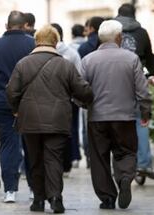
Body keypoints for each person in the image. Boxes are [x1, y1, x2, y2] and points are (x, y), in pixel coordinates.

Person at [6, 25, 93, 213]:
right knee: (54, 159)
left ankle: (38, 200)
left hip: (29, 120)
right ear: (55, 42)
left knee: (34, 160)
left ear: (37, 41)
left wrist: (16, 110)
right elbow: (84, 91)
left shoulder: (23, 64)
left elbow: (11, 92)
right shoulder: (65, 64)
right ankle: (55, 199)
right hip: (58, 120)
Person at [82, 20, 152, 210]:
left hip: (97, 118)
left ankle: (107, 198)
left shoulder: (88, 60)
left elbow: (81, 89)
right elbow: (142, 91)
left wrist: (84, 104)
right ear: (119, 37)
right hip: (125, 117)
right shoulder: (131, 59)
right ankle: (125, 178)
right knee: (126, 151)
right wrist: (145, 112)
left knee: (99, 158)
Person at [0, 10, 35, 203]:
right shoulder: (33, 44)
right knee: (31, 144)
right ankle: (35, 188)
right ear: (25, 25)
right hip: (30, 102)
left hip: (3, 102)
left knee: (9, 144)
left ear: (6, 26)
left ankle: (10, 190)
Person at [115, 3, 154, 175]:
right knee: (141, 120)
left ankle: (121, 160)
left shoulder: (111, 30)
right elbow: (150, 57)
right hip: (138, 78)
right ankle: (144, 162)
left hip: (115, 81)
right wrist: (151, 73)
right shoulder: (142, 32)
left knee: (117, 120)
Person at [51, 23, 82, 173]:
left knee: (53, 131)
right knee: (70, 129)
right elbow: (79, 76)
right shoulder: (72, 53)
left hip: (50, 99)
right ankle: (68, 161)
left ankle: (54, 162)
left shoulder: (43, 54)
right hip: (70, 99)